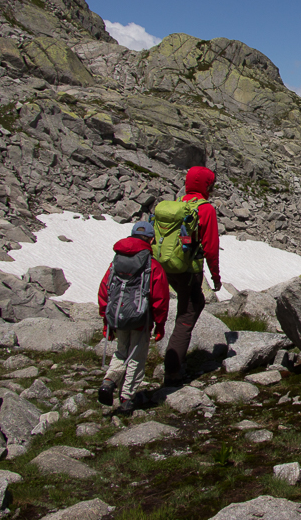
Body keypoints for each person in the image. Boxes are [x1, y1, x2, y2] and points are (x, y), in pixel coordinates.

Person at [97, 221, 169, 414]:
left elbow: (105, 290)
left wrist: (106, 319)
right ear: (151, 240)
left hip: (118, 316)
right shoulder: (151, 265)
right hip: (140, 319)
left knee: (121, 351)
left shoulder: (116, 262)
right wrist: (160, 325)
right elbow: (160, 298)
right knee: (136, 357)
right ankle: (127, 398)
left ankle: (109, 381)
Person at [163, 165, 221, 385]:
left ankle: (175, 356)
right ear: (206, 185)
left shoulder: (178, 204)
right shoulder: (205, 209)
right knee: (188, 312)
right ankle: (173, 369)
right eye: (211, 185)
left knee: (191, 304)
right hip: (189, 269)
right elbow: (211, 248)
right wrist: (215, 277)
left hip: (169, 266)